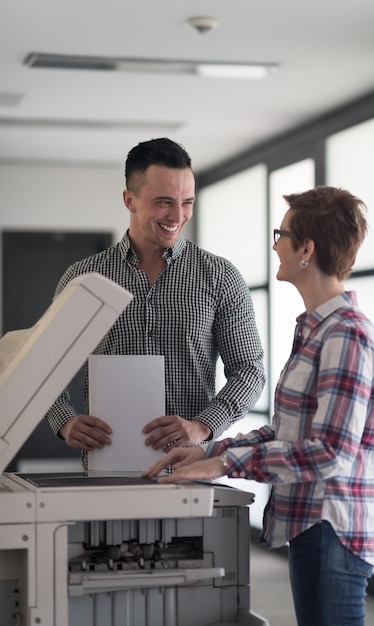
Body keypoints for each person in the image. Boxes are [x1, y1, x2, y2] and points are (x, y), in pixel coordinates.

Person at [144, 186, 374, 626]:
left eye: (282, 234)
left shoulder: (346, 335)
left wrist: (226, 465)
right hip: (310, 525)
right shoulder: (315, 330)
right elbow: (286, 432)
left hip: (332, 528)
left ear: (306, 249)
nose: (275, 244)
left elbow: (330, 453)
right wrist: (209, 452)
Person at [45, 137, 265, 469]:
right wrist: (65, 421)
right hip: (107, 475)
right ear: (129, 200)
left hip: (192, 474)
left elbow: (249, 371)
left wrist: (202, 426)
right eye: (164, 202)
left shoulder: (220, 277)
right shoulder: (84, 279)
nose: (178, 215)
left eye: (187, 202)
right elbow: (46, 367)